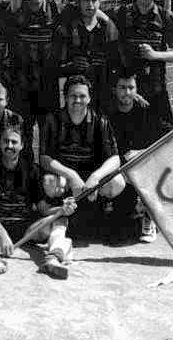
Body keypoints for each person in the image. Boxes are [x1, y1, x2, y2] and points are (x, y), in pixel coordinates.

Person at [0, 126, 77, 278]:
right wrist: (3, 234)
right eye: (6, 141)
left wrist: (62, 209)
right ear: (0, 143)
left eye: (14, 142)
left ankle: (54, 258)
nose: (9, 145)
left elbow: (43, 209)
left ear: (22, 145)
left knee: (60, 219)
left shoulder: (32, 170)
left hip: (27, 230)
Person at [39, 75, 126, 238]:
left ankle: (103, 209)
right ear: (65, 97)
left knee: (117, 182)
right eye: (73, 96)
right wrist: (71, 175)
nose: (77, 100)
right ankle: (61, 210)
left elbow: (115, 158)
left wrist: (96, 177)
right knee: (49, 182)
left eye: (82, 96)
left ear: (89, 98)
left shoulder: (100, 120)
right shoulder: (52, 119)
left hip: (91, 176)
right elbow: (44, 158)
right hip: (66, 177)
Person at [114, 0, 173, 132]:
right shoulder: (121, 14)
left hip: (156, 92)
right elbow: (97, 13)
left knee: (164, 138)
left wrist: (155, 55)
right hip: (128, 94)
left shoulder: (165, 17)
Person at [108, 71, 172, 243]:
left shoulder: (146, 112)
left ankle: (149, 216)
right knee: (121, 218)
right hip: (121, 170)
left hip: (144, 166)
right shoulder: (109, 115)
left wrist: (140, 153)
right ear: (114, 90)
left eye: (131, 88)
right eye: (122, 88)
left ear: (137, 90)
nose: (127, 92)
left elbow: (164, 142)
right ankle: (129, 208)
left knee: (155, 168)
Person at [10, 0, 63, 127]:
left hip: (47, 85)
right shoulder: (14, 7)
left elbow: (86, 11)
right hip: (21, 84)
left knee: (49, 132)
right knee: (21, 131)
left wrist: (108, 21)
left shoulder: (55, 8)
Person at [59, 0, 122, 114]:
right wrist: (70, 66)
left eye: (94, 0)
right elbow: (57, 66)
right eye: (85, 0)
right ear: (78, 1)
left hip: (101, 92)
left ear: (100, 2)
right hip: (74, 94)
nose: (90, 4)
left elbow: (115, 64)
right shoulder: (68, 28)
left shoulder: (108, 29)